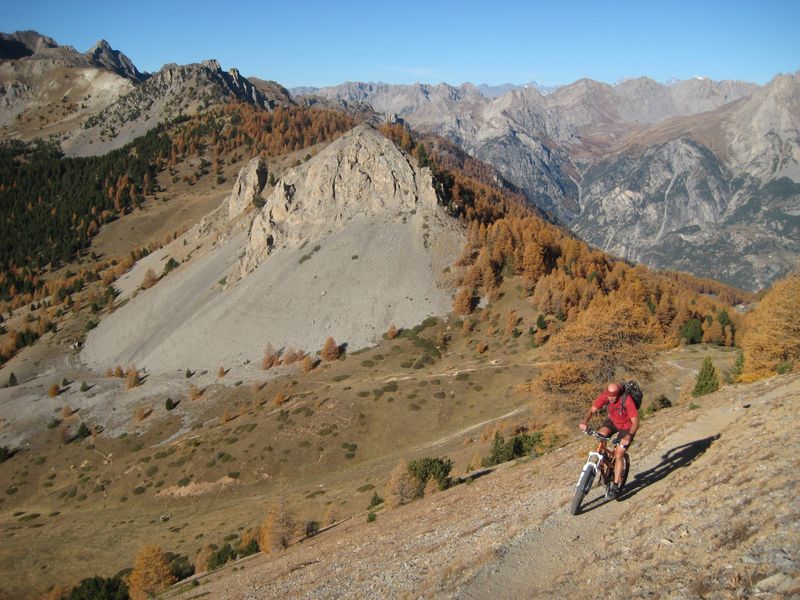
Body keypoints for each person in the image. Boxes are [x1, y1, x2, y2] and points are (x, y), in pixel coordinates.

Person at [579, 382, 638, 498]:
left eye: (613, 396)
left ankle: (615, 485)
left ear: (619, 393)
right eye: (609, 396)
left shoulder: (627, 400)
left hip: (627, 426)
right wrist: (584, 421)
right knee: (601, 435)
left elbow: (636, 422)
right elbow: (592, 410)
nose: (610, 398)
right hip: (613, 422)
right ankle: (604, 462)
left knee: (619, 453)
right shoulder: (606, 396)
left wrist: (628, 436)